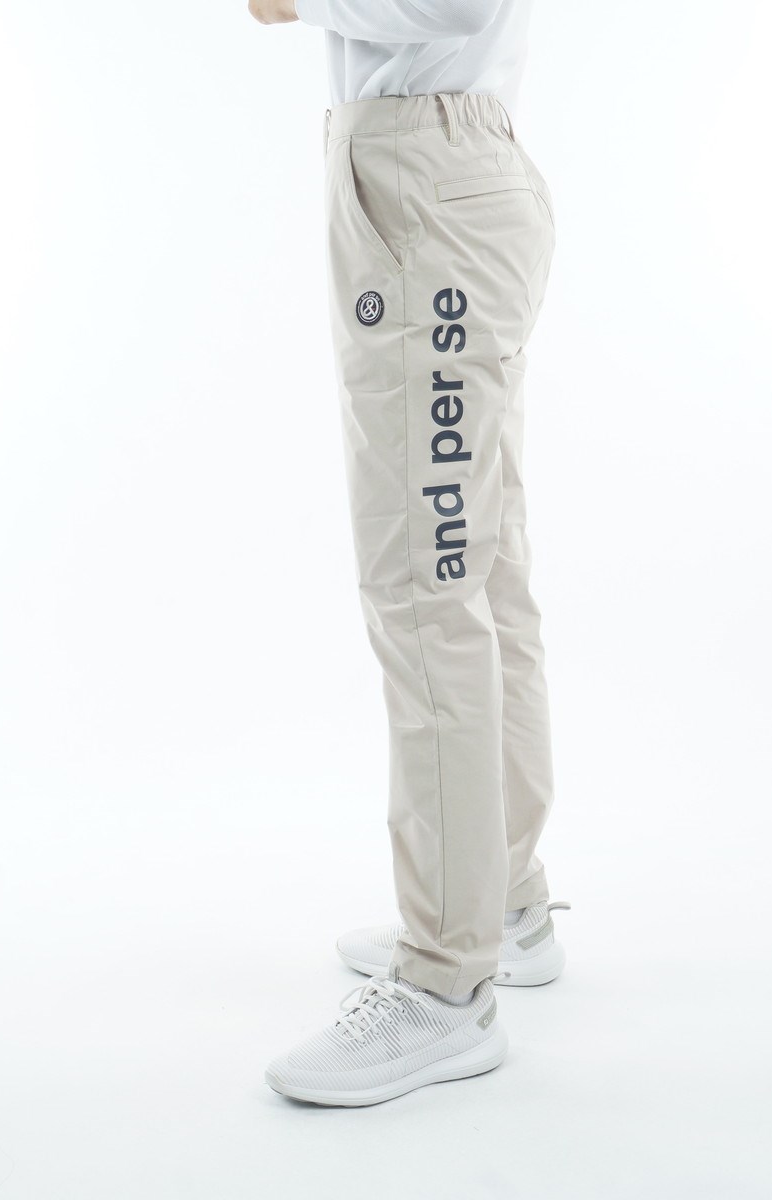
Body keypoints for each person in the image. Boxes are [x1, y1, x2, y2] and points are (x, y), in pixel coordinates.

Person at [250, 0, 567, 1107]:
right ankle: (501, 904)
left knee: (427, 586)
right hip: (434, 173)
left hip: (428, 182)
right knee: (478, 566)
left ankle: (446, 983)